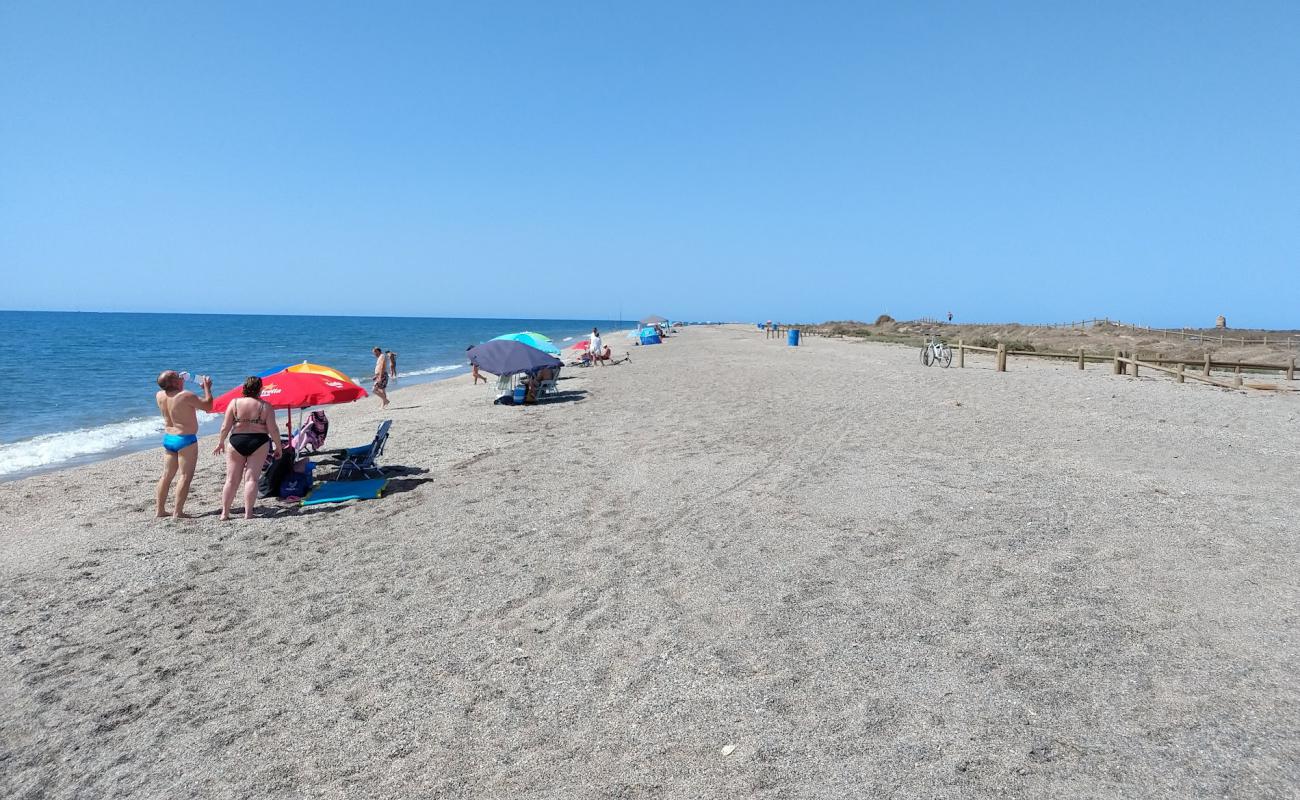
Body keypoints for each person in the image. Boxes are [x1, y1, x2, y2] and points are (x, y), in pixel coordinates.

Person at [213, 376, 281, 521]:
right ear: (260, 389)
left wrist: (220, 442)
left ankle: (225, 513)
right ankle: (248, 513)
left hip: (236, 441)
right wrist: (278, 446)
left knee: (231, 480)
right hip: (259, 441)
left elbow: (225, 426)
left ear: (244, 388)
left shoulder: (234, 403)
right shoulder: (265, 406)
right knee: (251, 479)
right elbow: (273, 429)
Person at [155, 370, 214, 520]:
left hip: (169, 438)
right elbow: (208, 406)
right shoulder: (186, 395)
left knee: (166, 476)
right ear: (174, 382)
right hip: (185, 439)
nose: (182, 378)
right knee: (185, 476)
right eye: (178, 377)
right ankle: (178, 512)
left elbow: (176, 399)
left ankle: (160, 510)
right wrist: (207, 387)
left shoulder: (159, 395)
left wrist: (179, 382)